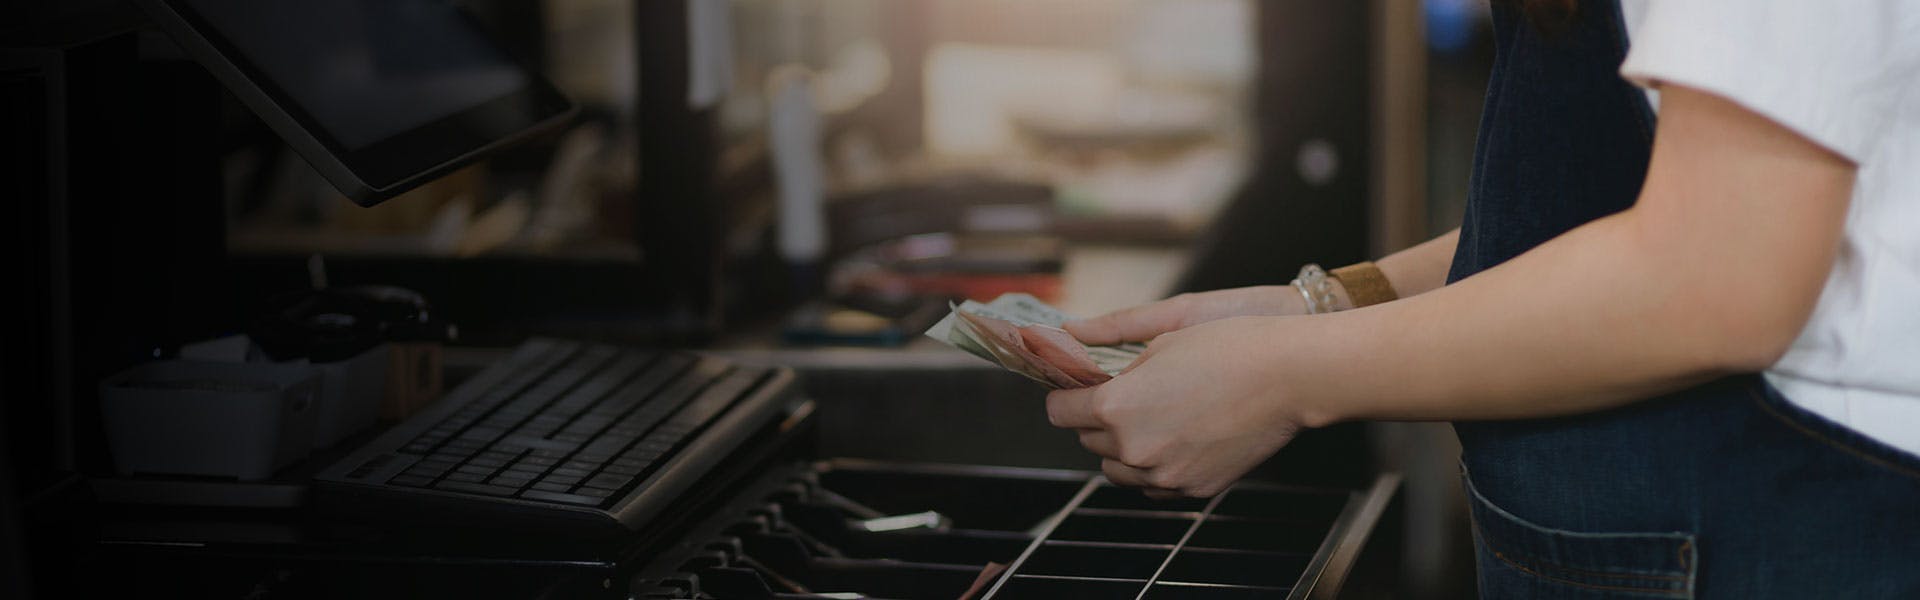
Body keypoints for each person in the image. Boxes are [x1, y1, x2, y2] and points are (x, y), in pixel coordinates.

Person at [1045, 0, 1920, 596]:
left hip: (1781, 530)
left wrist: (1279, 378)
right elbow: (1609, 213)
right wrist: (1324, 306)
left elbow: (1717, 278)